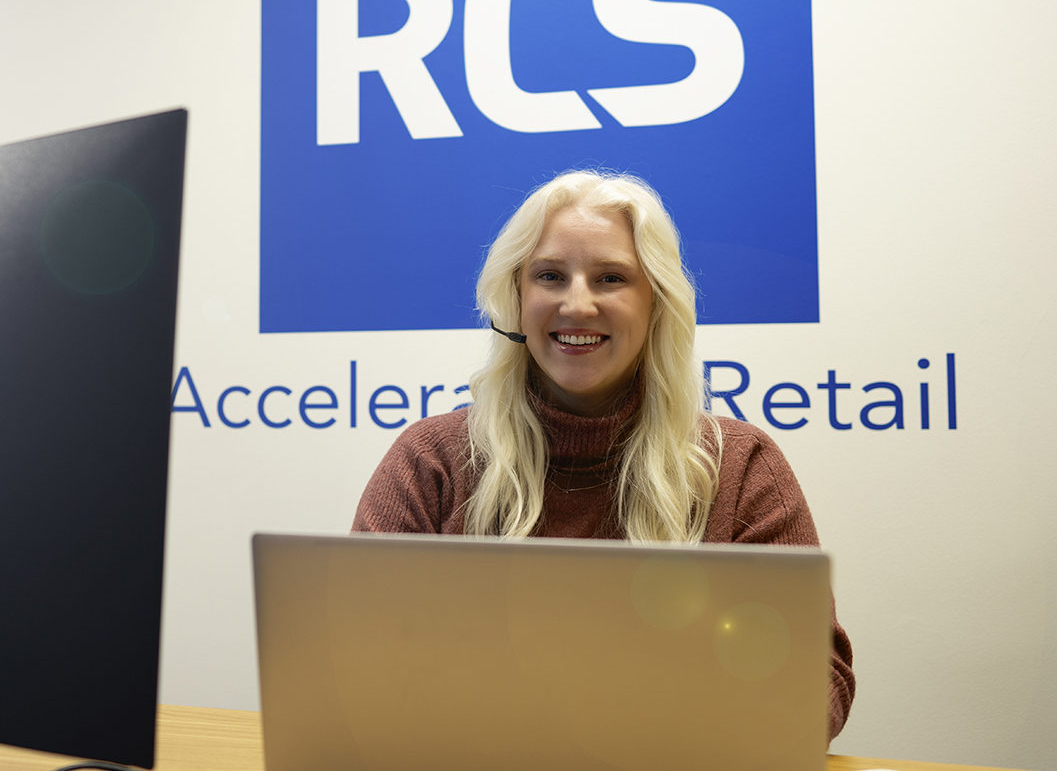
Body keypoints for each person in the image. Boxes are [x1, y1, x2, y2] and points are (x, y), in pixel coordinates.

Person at [352, 170, 856, 738]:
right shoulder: (431, 461)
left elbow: (815, 692)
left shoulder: (739, 465)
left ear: (657, 303)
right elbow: (352, 664)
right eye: (549, 275)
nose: (577, 304)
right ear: (516, 298)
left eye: (611, 278)